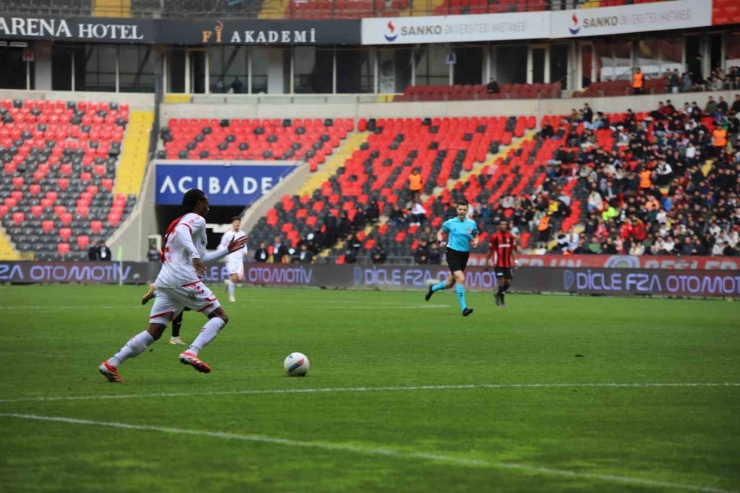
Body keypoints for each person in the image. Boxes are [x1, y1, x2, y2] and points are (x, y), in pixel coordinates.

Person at [99, 189, 248, 383]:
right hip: (183, 278)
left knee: (154, 332)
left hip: (166, 281)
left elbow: (202, 259)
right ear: (198, 203)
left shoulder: (179, 224)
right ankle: (192, 351)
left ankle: (112, 363)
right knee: (220, 316)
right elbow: (186, 237)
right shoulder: (195, 219)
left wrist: (225, 252)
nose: (208, 206)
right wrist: (194, 257)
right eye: (205, 202)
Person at [424, 200, 478, 317]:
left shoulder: (472, 223)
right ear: (456, 209)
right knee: (460, 277)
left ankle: (433, 288)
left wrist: (475, 241)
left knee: (449, 283)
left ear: (467, 210)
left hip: (464, 254)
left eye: (464, 210)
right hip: (452, 253)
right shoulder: (450, 223)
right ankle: (464, 309)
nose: (462, 212)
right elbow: (440, 233)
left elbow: (475, 235)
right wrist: (441, 241)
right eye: (460, 209)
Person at [485, 220, 517, 308]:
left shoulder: (510, 236)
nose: (503, 226)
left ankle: (497, 293)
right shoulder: (494, 236)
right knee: (502, 281)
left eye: (505, 224)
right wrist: (487, 262)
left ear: (507, 226)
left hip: (507, 263)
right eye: (502, 224)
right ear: (499, 225)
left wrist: (515, 261)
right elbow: (490, 250)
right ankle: (502, 302)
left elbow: (513, 249)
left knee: (508, 282)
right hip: (498, 263)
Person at [219, 216, 248, 303]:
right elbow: (222, 245)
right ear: (233, 223)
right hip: (230, 258)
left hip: (239, 259)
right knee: (234, 278)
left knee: (239, 279)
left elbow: (244, 244)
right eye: (235, 222)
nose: (237, 224)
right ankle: (231, 297)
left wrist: (245, 251)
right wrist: (223, 254)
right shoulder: (228, 234)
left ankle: (228, 283)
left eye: (238, 222)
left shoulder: (242, 233)